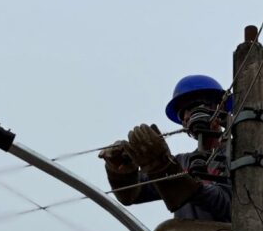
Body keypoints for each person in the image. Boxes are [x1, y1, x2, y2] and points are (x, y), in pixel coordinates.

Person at [99, 75, 233, 222]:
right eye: (183, 112)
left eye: (196, 106)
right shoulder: (182, 163)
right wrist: (121, 171)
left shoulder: (240, 154)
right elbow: (132, 193)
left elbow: (231, 207)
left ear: (220, 109)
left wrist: (167, 170)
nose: (189, 116)